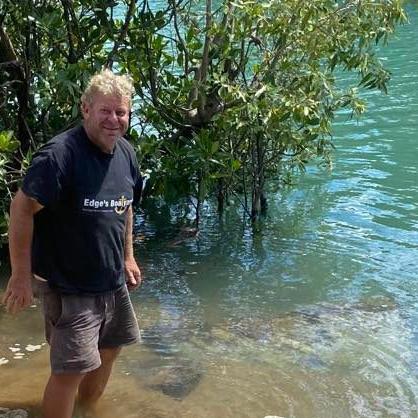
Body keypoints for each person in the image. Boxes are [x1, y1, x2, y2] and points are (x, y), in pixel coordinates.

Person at [1, 69, 143, 418]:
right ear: (86, 108)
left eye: (121, 112)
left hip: (112, 284)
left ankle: (85, 412)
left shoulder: (126, 153)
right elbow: (21, 208)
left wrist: (128, 257)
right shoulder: (60, 156)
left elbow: (125, 207)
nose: (114, 119)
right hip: (70, 286)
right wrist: (21, 275)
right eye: (105, 110)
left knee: (110, 350)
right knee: (69, 371)